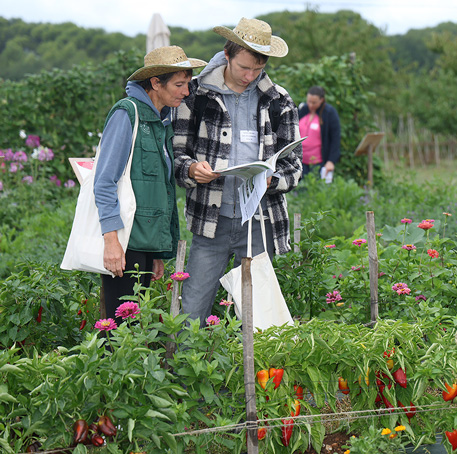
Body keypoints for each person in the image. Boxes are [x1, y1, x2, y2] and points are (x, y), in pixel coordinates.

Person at [172, 18, 302, 327]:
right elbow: (176, 156)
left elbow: (294, 167)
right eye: (243, 67)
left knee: (261, 314)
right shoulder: (195, 96)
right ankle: (189, 373)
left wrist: (273, 179)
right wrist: (192, 169)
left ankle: (260, 374)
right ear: (227, 55)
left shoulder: (278, 101)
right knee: (193, 307)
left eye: (257, 70)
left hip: (258, 221)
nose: (249, 76)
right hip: (210, 221)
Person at [94, 46, 207, 325]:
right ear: (155, 83)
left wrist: (156, 253)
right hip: (124, 240)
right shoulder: (127, 114)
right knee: (120, 330)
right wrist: (111, 242)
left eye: (188, 84)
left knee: (137, 326)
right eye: (179, 85)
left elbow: (158, 190)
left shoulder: (162, 121)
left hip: (144, 243)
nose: (186, 93)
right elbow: (104, 181)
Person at [298, 86, 341, 179]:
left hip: (318, 163)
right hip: (300, 161)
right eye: (309, 101)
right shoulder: (302, 110)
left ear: (321, 100)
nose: (311, 105)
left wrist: (331, 161)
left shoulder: (329, 113)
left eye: (314, 102)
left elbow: (335, 138)